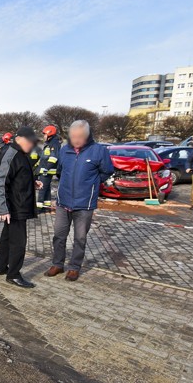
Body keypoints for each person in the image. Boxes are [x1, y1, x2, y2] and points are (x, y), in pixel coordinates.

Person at [46, 120, 114, 282]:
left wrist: (91, 184)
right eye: (73, 136)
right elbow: (60, 171)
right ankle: (57, 264)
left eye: (80, 137)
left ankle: (74, 267)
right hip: (63, 201)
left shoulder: (99, 150)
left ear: (88, 135)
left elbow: (107, 171)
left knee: (80, 238)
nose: (76, 140)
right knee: (59, 236)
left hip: (85, 204)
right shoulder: (64, 150)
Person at [0, 126, 43, 288]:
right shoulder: (11, 154)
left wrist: (33, 182)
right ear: (20, 139)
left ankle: (0, 267)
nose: (32, 145)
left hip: (18, 203)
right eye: (30, 142)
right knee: (19, 242)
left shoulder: (21, 153)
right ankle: (13, 275)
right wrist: (3, 209)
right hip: (15, 207)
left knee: (7, 238)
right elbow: (1, 183)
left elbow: (19, 176)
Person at [36, 125, 60, 211]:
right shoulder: (49, 144)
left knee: (42, 188)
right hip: (45, 169)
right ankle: (46, 206)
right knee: (46, 188)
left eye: (45, 134)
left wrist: (46, 168)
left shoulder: (54, 144)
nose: (44, 136)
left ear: (49, 134)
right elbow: (44, 157)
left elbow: (53, 158)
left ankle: (39, 208)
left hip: (47, 170)